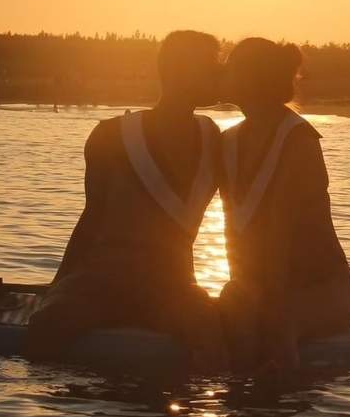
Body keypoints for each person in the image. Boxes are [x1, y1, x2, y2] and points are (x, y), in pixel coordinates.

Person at [25, 30, 225, 363]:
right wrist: (59, 286)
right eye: (211, 66)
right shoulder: (110, 135)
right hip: (104, 282)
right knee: (48, 328)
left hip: (172, 288)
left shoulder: (213, 137)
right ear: (181, 72)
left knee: (212, 339)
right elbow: (91, 219)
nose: (220, 74)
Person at [217, 38, 350, 372]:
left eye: (232, 68)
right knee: (220, 325)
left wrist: (263, 304)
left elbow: (282, 233)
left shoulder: (299, 142)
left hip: (322, 290)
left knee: (276, 326)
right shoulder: (228, 141)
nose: (223, 74)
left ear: (255, 78)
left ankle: (281, 408)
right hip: (255, 286)